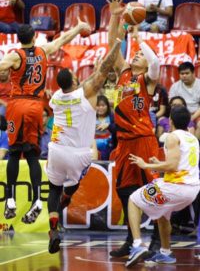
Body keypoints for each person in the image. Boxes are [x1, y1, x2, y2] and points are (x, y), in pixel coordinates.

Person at [0, 19, 91, 224]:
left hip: (18, 105)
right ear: (34, 37)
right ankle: (36, 201)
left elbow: (2, 67)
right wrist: (78, 27)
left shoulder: (14, 55)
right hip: (36, 107)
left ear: (17, 38)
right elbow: (63, 39)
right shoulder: (42, 51)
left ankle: (11, 199)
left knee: (14, 151)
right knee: (32, 153)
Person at [46, 39, 121, 254]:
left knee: (54, 188)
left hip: (56, 150)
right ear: (74, 80)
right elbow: (103, 72)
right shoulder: (85, 95)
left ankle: (53, 226)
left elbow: (85, 83)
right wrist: (116, 43)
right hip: (79, 154)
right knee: (71, 188)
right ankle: (60, 210)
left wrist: (96, 70)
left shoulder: (56, 98)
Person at [105, 0, 161, 258]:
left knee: (155, 192)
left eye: (139, 54)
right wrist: (116, 17)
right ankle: (132, 237)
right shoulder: (124, 72)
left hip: (144, 140)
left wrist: (139, 38)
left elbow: (155, 63)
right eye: (135, 53)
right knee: (124, 191)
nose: (135, 55)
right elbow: (112, 46)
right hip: (124, 144)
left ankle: (159, 240)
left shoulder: (148, 80)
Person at [126, 106, 200, 267]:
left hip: (176, 188)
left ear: (170, 121)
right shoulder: (192, 137)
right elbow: (180, 165)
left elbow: (173, 165)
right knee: (162, 213)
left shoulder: (172, 137)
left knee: (133, 200)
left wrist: (145, 165)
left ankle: (137, 244)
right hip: (192, 189)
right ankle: (166, 252)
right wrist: (159, 164)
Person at [169, 62, 200, 139]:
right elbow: (172, 105)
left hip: (197, 114)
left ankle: (195, 146)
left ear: (193, 73)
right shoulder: (175, 86)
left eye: (187, 73)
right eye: (182, 74)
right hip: (180, 114)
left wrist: (191, 118)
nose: (184, 76)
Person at [95, 94, 116, 160]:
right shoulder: (91, 117)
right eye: (98, 105)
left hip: (109, 150)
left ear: (107, 106)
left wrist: (108, 126)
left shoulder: (112, 117)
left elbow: (118, 129)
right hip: (94, 150)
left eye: (103, 105)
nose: (101, 108)